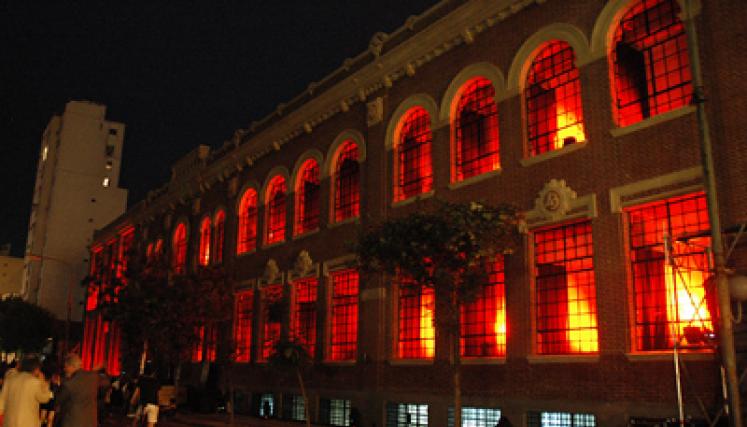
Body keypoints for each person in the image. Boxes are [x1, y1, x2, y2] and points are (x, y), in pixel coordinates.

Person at [55, 354, 110, 427]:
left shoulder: (69, 384)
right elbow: (107, 383)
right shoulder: (93, 377)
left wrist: (59, 383)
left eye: (65, 367)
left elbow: (58, 400)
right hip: (90, 422)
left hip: (72, 422)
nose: (64, 369)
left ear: (71, 366)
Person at [0, 354, 52, 427]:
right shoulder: (35, 382)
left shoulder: (10, 379)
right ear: (36, 368)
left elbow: (2, 400)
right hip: (28, 422)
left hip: (10, 421)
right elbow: (44, 398)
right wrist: (45, 384)